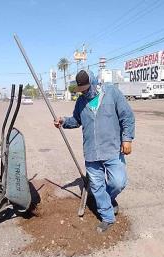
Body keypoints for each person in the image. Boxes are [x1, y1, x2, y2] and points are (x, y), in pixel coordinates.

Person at [54, 70, 135, 233]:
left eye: (86, 88)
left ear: (94, 82)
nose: (84, 91)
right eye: (81, 89)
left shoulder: (112, 93)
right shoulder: (81, 102)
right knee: (97, 186)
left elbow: (127, 116)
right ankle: (107, 217)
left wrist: (127, 139)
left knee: (118, 182)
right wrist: (63, 121)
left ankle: (107, 199)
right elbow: (76, 120)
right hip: (91, 152)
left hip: (112, 148)